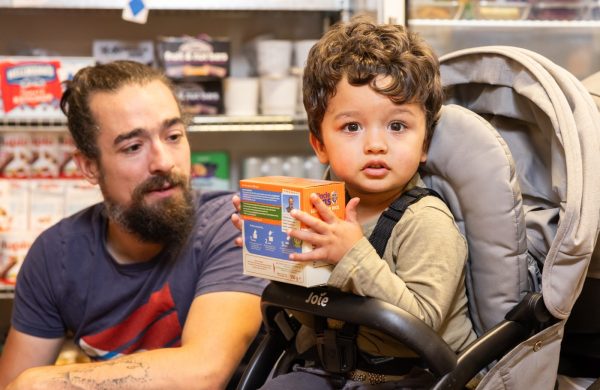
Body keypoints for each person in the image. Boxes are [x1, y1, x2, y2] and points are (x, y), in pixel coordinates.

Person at [232, 16, 477, 388]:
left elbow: (423, 323)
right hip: (327, 367)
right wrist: (273, 248)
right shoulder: (317, 208)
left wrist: (352, 254)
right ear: (319, 144)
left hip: (409, 378)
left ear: (424, 143)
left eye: (397, 126)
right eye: (352, 127)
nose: (376, 144)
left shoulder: (426, 221)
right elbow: (308, 303)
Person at [0, 61, 267, 390]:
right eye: (133, 147)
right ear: (89, 167)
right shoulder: (56, 255)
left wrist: (41, 383)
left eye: (173, 136)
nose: (163, 162)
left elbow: (203, 372)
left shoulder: (234, 224)